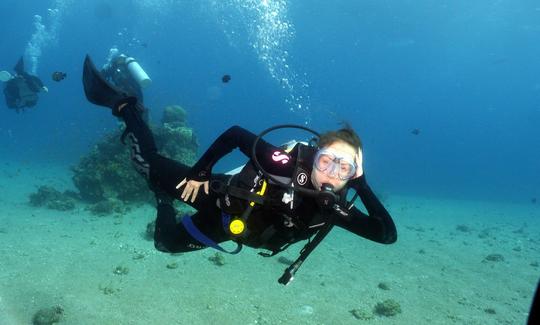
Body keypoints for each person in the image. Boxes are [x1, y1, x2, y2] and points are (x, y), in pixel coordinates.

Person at [82, 55, 397, 284]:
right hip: (215, 196)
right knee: (145, 162)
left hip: (228, 228)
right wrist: (200, 172)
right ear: (314, 156)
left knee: (165, 243)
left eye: (345, 168)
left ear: (354, 173)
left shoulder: (335, 210)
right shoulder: (284, 164)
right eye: (326, 160)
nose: (331, 172)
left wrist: (363, 186)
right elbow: (235, 134)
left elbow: (386, 235)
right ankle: (126, 106)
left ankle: (162, 198)